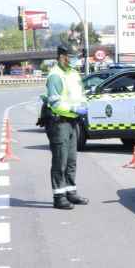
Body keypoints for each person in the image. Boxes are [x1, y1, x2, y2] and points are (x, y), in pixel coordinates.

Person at [44, 46, 89, 210]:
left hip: (73, 122)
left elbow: (81, 93)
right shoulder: (55, 75)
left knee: (71, 161)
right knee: (60, 161)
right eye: (72, 56)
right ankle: (59, 197)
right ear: (62, 57)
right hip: (59, 123)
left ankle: (71, 192)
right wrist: (73, 109)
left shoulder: (74, 73)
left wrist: (83, 105)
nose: (75, 59)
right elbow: (55, 103)